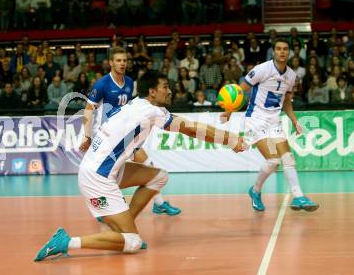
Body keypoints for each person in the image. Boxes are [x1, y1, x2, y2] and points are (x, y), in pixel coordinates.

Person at [34, 71, 246, 261]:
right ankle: (67, 242)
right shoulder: (151, 111)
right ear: (152, 92)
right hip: (97, 177)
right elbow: (190, 128)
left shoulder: (137, 104)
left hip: (105, 168)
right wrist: (230, 139)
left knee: (159, 176)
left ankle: (123, 227)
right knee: (133, 243)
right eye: (165, 87)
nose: (170, 91)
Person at [80, 47, 182, 216]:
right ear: (111, 62)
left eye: (125, 60)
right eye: (118, 60)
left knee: (148, 166)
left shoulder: (129, 82)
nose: (122, 64)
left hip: (127, 135)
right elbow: (88, 109)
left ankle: (159, 203)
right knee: (108, 173)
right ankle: (106, 209)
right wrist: (87, 135)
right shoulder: (102, 84)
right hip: (108, 138)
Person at [222, 37, 319, 212]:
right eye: (279, 49)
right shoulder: (262, 69)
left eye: (285, 49)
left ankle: (298, 197)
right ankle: (256, 190)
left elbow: (287, 100)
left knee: (288, 158)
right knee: (274, 160)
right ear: (273, 52)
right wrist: (229, 111)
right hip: (256, 120)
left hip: (275, 120)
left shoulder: (291, 75)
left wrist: (294, 120)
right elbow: (240, 89)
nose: (282, 52)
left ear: (289, 52)